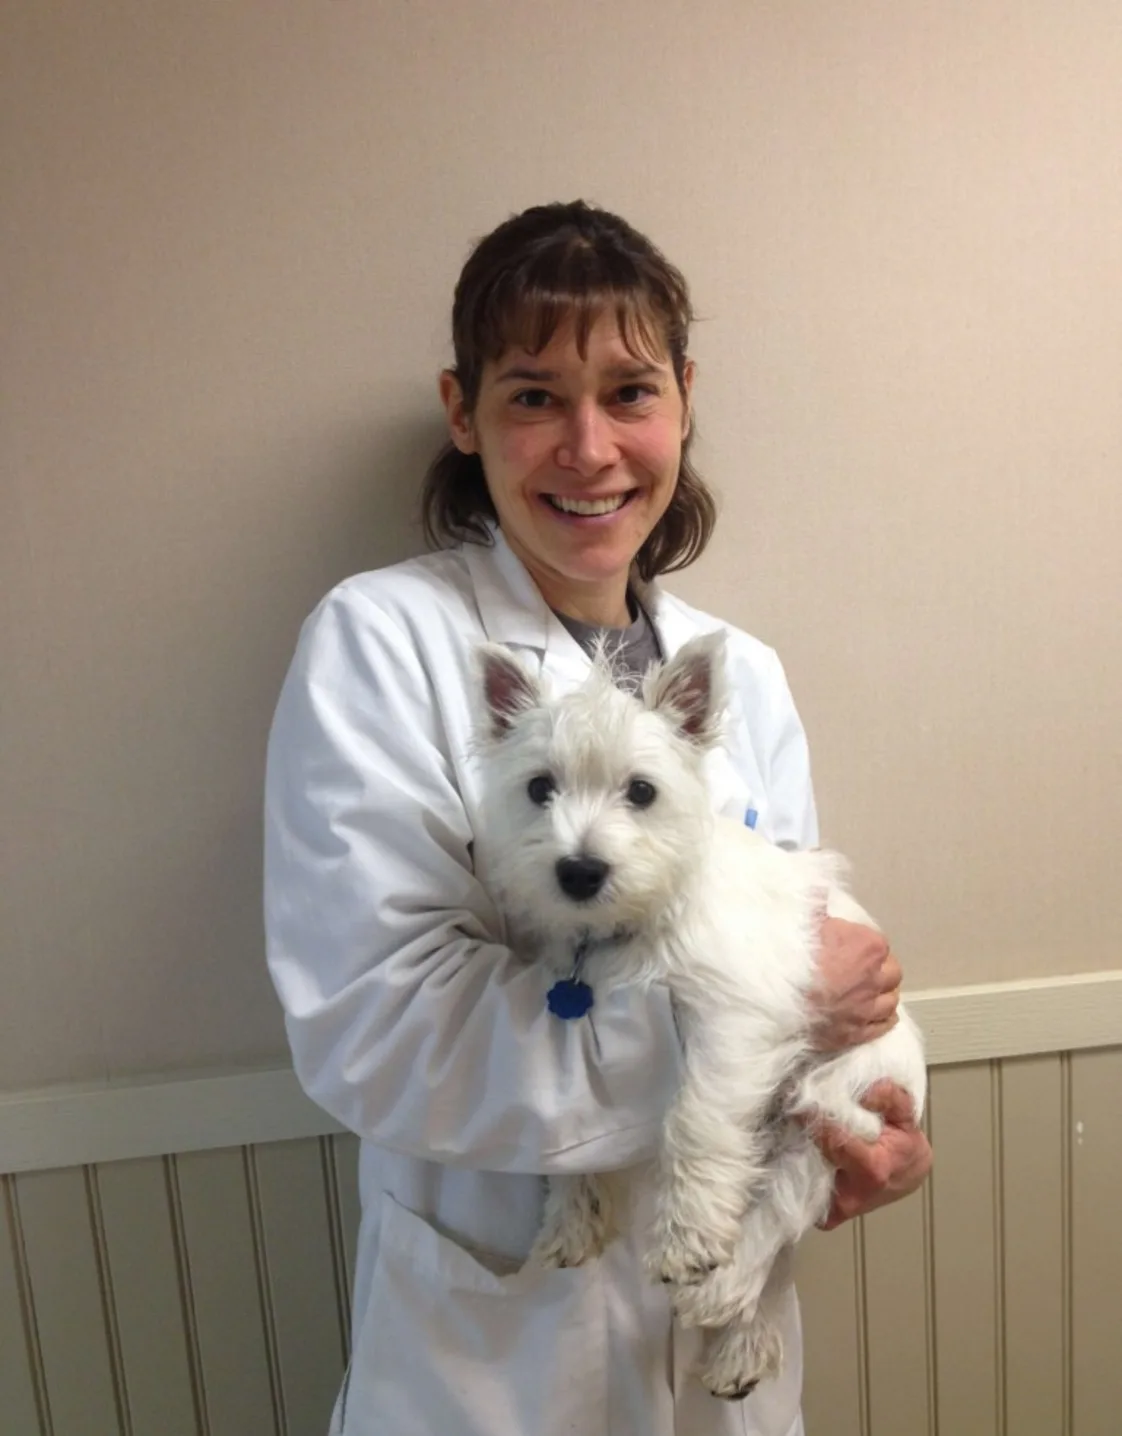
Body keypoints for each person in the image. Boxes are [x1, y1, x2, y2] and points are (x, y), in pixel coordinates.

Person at [264, 200, 932, 1436]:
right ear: (464, 412)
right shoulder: (384, 643)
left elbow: (795, 954)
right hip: (500, 1359)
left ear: (682, 399)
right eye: (533, 397)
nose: (589, 446)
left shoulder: (741, 671)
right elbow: (377, 1027)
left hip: (725, 1344)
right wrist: (761, 1017)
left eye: (629, 391)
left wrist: (865, 1135)